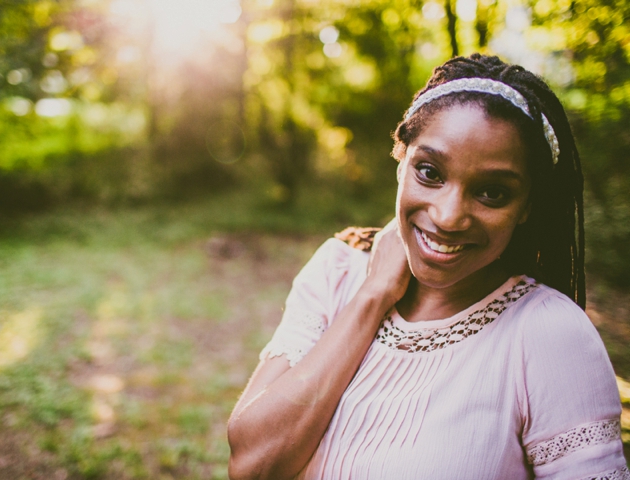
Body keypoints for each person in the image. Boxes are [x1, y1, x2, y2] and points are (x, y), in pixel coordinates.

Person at [227, 54, 627, 479]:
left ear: (527, 206)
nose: (449, 215)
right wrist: (373, 294)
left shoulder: (548, 332)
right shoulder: (337, 271)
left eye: (492, 193)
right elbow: (251, 464)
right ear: (401, 159)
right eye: (430, 172)